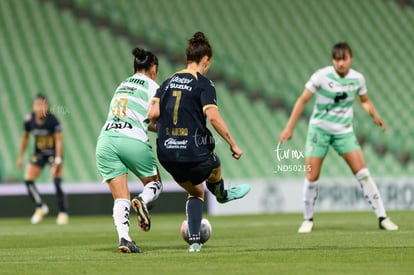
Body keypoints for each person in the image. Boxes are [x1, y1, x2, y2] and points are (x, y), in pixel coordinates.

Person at [279, 42, 398, 233]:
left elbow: (364, 101)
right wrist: (289, 127)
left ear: (350, 59)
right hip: (319, 130)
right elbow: (302, 100)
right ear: (332, 60)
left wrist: (375, 116)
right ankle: (307, 219)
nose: (340, 63)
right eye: (336, 59)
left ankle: (383, 217)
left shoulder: (357, 79)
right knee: (312, 176)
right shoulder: (321, 76)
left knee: (363, 173)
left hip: (344, 132)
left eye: (344, 59)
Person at [148, 32, 251, 252]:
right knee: (215, 165)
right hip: (191, 151)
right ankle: (222, 194)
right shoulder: (203, 83)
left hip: (166, 153)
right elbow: (213, 117)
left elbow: (152, 116)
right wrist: (233, 143)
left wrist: (168, 129)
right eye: (208, 64)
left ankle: (194, 241)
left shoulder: (166, 82)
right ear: (205, 61)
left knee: (196, 192)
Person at [95, 47, 163, 253]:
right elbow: (156, 118)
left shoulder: (122, 85)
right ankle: (142, 200)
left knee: (121, 197)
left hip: (106, 141)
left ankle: (124, 239)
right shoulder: (154, 87)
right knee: (156, 184)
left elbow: (137, 117)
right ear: (153, 69)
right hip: (131, 140)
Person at [16, 94, 69, 225]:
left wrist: (57, 161)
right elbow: (25, 138)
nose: (40, 108)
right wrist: (21, 156)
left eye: (43, 105)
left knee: (57, 182)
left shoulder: (53, 120)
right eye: (37, 105)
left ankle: (63, 212)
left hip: (53, 153)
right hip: (39, 153)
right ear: (33, 107)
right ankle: (40, 206)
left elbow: (59, 141)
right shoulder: (29, 120)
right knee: (28, 180)